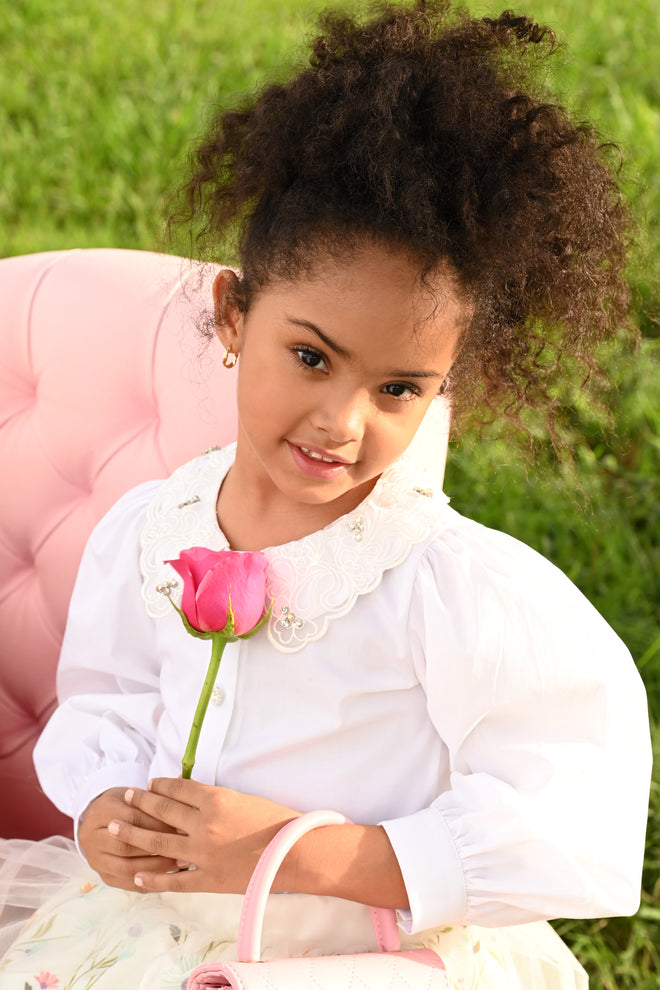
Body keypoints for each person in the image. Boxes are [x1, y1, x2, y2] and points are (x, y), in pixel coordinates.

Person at [0, 2, 651, 988]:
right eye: (310, 357)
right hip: (157, 931)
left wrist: (293, 851)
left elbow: (568, 822)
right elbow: (117, 701)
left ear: (448, 384)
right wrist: (107, 812)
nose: (343, 421)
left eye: (399, 388)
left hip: (354, 950)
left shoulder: (447, 585)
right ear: (232, 316)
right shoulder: (150, 530)